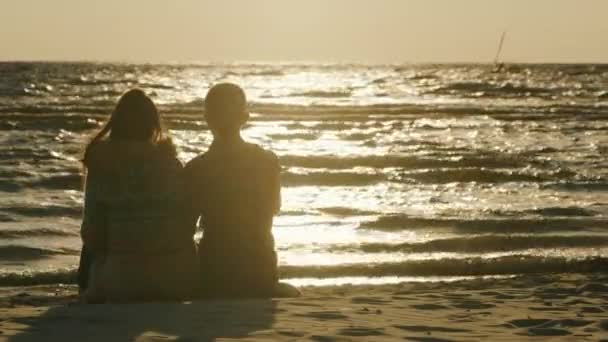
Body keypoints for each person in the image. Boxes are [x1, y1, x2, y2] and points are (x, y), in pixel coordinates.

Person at [79, 89, 198, 303]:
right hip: (173, 281)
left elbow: (92, 233)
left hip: (119, 282)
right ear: (153, 126)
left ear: (116, 124)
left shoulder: (102, 164)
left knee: (92, 236)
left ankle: (89, 286)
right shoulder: (171, 164)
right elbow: (186, 225)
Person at [184, 83, 281, 298]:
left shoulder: (196, 168)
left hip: (215, 272)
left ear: (207, 118)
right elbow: (272, 209)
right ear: (244, 118)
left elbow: (185, 227)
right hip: (259, 271)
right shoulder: (267, 162)